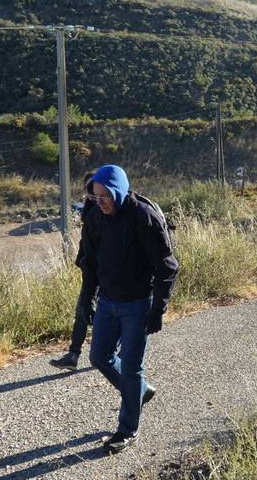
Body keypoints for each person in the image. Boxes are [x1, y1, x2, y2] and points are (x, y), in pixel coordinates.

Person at [78, 164, 179, 454]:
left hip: (138, 303)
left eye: (106, 195)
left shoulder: (142, 217)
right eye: (96, 196)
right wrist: (86, 300)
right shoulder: (95, 216)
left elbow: (168, 267)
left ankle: (127, 429)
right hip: (108, 302)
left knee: (131, 367)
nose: (101, 202)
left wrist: (157, 309)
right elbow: (90, 263)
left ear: (118, 191)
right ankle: (140, 391)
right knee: (99, 357)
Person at [51, 173, 100, 369]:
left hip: (102, 270)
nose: (89, 192)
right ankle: (74, 355)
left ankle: (104, 350)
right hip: (91, 269)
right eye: (88, 188)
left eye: (92, 188)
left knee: (90, 310)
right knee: (84, 310)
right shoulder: (92, 207)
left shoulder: (102, 208)